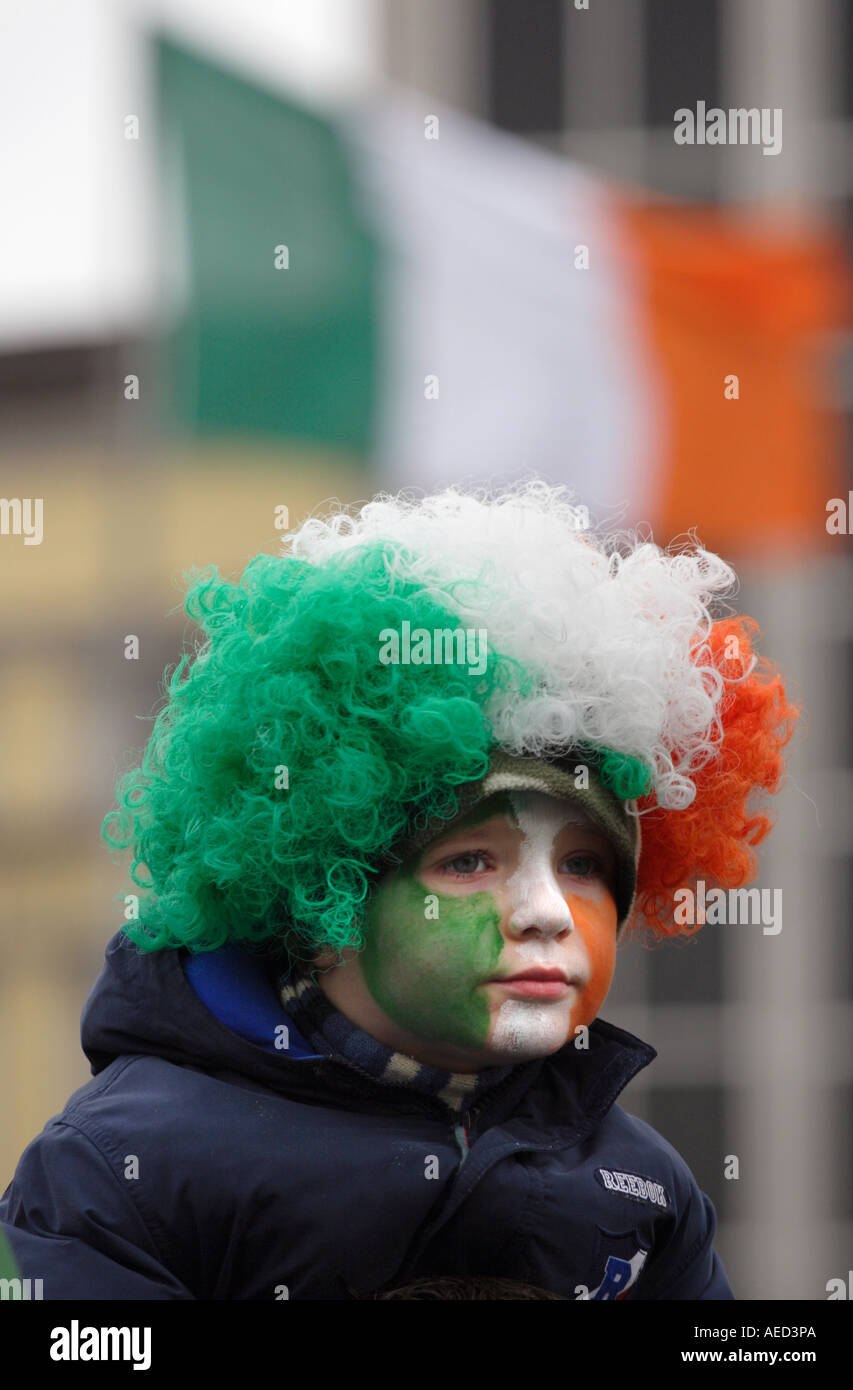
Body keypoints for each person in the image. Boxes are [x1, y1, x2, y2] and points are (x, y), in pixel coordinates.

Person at [0, 482, 798, 1299]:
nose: (547, 914)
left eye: (584, 867)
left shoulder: (644, 1187)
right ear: (325, 894)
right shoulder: (116, 1173)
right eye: (469, 864)